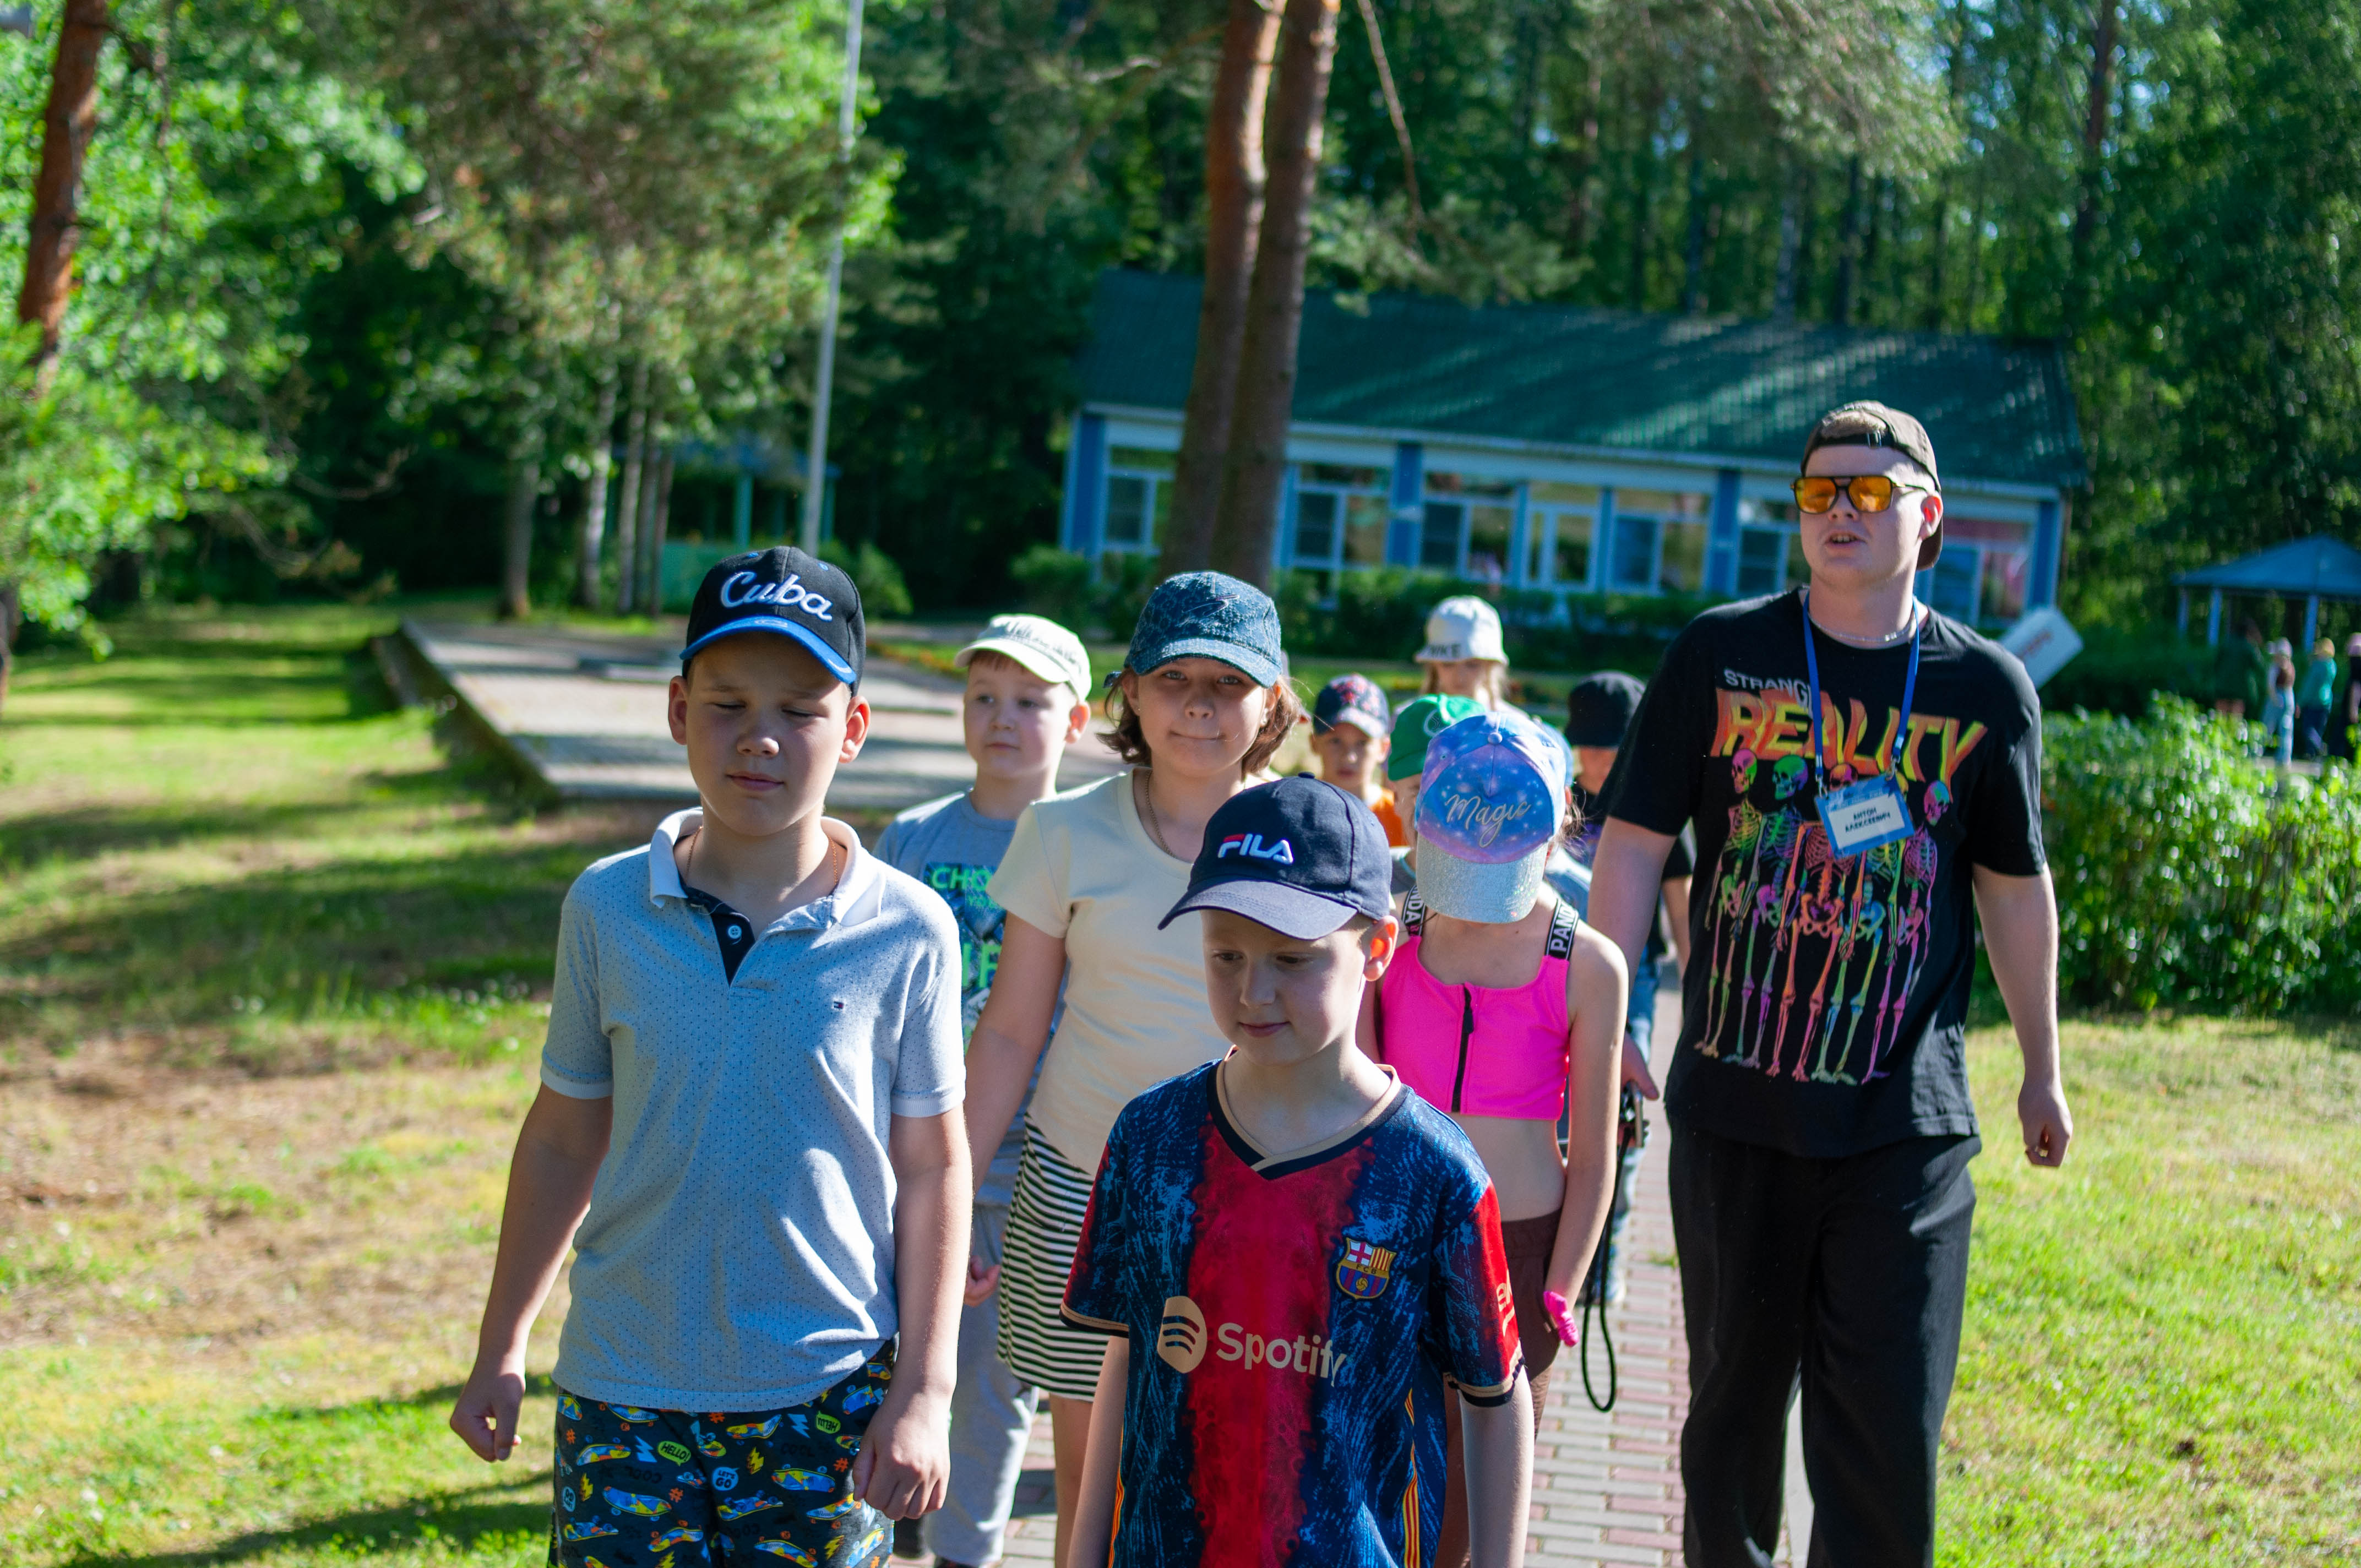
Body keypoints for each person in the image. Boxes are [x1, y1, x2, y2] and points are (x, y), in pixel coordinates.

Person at [1587, 401, 2072, 1567]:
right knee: (1730, 1427)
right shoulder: (1717, 653)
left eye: (1867, 491)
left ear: (1928, 515)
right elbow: (1634, 843)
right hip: (1736, 1109)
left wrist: (2041, 1069)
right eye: (1817, 492)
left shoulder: (1985, 687)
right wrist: (1601, 1023)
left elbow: (2012, 888)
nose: (1839, 510)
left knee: (1884, 1436)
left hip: (1903, 1124)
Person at [448, 547, 968, 1568]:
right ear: (679, 711)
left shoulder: (911, 929)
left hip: (827, 1393)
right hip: (623, 1387)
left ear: (853, 728)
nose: (760, 737)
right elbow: (561, 1139)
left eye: (800, 710)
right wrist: (502, 1344)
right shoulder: (606, 907)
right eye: (727, 705)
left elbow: (933, 1165)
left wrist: (924, 1390)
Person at [1063, 775, 1535, 1568]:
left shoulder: (1434, 1173)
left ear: (1377, 949)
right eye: (1226, 955)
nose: (1254, 990)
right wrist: (1084, 1555)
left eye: (1292, 959)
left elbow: (1495, 1398)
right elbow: (1129, 1356)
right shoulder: (1151, 1138)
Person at [962, 571, 1303, 1568]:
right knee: (1095, 1486)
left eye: (1228, 683)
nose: (1198, 705)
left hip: (1252, 1198)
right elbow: (1010, 1033)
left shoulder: (1302, 837)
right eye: (1173, 679)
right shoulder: (1061, 831)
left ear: (1272, 704)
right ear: (1130, 696)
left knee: (1230, 1473)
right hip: (1083, 1190)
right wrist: (950, 1199)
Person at [1361, 710, 1624, 1568]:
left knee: (1476, 1508)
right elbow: (1351, 1100)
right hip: (1394, 1240)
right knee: (1378, 1480)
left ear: (1557, 830)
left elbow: (1597, 1154)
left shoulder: (1589, 964)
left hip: (1521, 1254)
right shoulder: (1391, 933)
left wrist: (1565, 1282)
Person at [872, 612, 1094, 1568]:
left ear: (1076, 720)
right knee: (892, 1360)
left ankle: (966, 1550)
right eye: (984, 697)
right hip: (908, 1152)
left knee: (998, 1383)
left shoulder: (1086, 844)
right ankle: (887, 1529)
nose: (1002, 718)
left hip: (1027, 1169)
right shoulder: (912, 838)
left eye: (1030, 702)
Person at [1562, 671, 1695, 1305]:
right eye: (1586, 744)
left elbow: (1683, 913)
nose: (1596, 760)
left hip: (1631, 975)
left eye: (1610, 746)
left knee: (1619, 1110)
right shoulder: (1558, 801)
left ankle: (1604, 1255)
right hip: (1553, 969)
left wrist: (1696, 1004)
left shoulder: (1656, 808)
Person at [1381, 693, 1486, 899]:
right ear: (1396, 799)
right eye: (1420, 791)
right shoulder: (1374, 883)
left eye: (1457, 790)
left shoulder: (1504, 892)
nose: (1438, 808)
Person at [1311, 673, 1407, 845]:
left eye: (1362, 743)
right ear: (1314, 743)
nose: (1349, 757)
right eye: (1336, 741)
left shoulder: (1401, 817)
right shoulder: (1300, 807)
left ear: (1384, 748)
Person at [1418, 596, 1510, 710]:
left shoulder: (1513, 720)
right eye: (1448, 664)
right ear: (1433, 664)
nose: (1460, 677)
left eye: (1472, 664)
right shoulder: (1405, 718)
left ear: (1490, 664)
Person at [2214, 619, 2267, 719]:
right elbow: (2260, 668)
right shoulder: (2249, 647)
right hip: (2240, 690)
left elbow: (2216, 663)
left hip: (2222, 686)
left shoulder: (2226, 642)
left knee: (2220, 718)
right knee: (2236, 719)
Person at [2298, 637, 2338, 760]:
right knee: (2318, 730)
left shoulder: (2318, 666)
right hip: (2327, 701)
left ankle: (2319, 747)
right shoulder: (2332, 665)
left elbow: (2309, 686)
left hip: (2313, 701)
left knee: (2308, 728)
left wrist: (2300, 702)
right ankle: (2311, 754)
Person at [2260, 650, 2298, 767]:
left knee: (2267, 727)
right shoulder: (2291, 667)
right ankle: (2285, 758)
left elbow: (2270, 685)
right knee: (2286, 729)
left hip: (2276, 698)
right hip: (2289, 697)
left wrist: (2274, 699)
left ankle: (2257, 752)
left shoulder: (2275, 667)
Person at [2336, 633, 2361, 763]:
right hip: (2353, 705)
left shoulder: (2356, 665)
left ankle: (2341, 759)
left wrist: (2353, 708)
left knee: (2345, 733)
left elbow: (2355, 686)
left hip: (2352, 705)